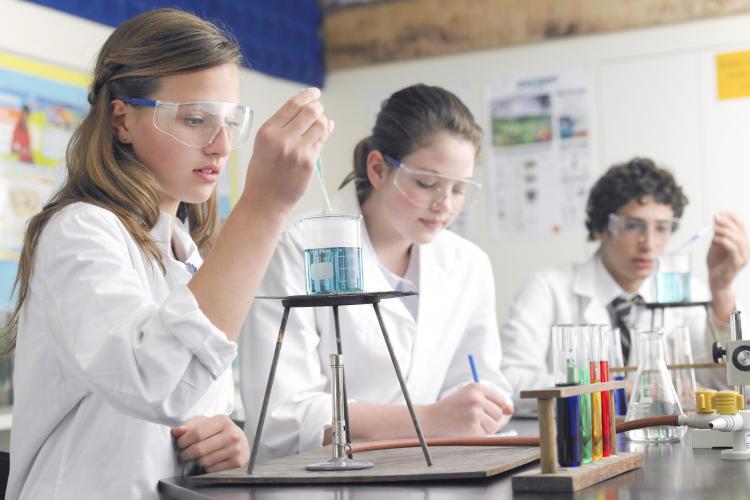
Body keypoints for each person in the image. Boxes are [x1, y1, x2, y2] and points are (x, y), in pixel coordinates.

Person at [2, 9, 332, 499]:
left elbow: (183, 403)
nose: (221, 146)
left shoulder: (186, 254)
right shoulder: (79, 231)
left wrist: (224, 442)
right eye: (196, 119)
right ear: (122, 119)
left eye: (230, 122)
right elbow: (155, 382)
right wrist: (264, 206)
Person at [240, 84, 514, 462]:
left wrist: (480, 407)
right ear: (379, 169)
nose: (445, 205)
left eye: (459, 189)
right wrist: (429, 420)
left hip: (436, 472)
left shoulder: (468, 264)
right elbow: (281, 418)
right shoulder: (298, 249)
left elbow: (478, 380)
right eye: (428, 183)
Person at [500, 157, 750, 413]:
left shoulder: (688, 292)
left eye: (662, 228)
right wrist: (613, 390)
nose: (649, 243)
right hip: (578, 444)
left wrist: (721, 289)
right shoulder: (547, 290)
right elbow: (512, 381)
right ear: (600, 227)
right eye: (632, 226)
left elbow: (730, 383)